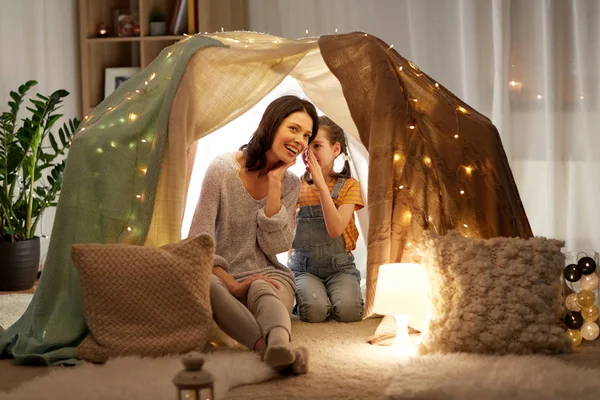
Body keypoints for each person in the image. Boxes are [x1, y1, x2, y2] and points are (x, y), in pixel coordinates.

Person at [189, 95, 318, 373]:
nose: (300, 140)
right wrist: (234, 285)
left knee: (261, 285)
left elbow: (277, 245)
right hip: (223, 277)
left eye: (306, 135)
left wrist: (275, 183)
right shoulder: (222, 170)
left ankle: (279, 344)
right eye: (293, 129)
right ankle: (266, 349)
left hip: (269, 275)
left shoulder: (290, 183)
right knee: (206, 285)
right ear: (271, 125)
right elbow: (197, 241)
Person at [288, 116, 365, 323]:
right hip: (304, 267)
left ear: (336, 149)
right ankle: (312, 296)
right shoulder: (295, 185)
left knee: (349, 312)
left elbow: (335, 229)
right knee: (314, 312)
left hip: (339, 267)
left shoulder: (350, 185)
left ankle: (335, 294)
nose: (309, 153)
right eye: (306, 146)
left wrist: (321, 185)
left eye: (317, 145)